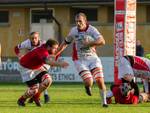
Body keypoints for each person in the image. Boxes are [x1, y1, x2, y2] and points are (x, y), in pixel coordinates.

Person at [56, 13, 108, 107]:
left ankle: (104, 102)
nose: (78, 23)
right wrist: (55, 54)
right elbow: (65, 43)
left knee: (100, 80)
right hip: (79, 60)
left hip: (93, 58)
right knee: (89, 81)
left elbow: (102, 41)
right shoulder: (73, 31)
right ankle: (87, 86)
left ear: (85, 21)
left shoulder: (91, 29)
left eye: (80, 21)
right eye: (76, 21)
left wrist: (89, 43)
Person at [16, 39, 69, 107]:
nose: (56, 50)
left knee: (48, 80)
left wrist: (66, 43)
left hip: (36, 67)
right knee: (34, 90)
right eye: (55, 48)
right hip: (26, 68)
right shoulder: (42, 51)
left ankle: (36, 97)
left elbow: (56, 52)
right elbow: (48, 61)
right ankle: (21, 99)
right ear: (49, 47)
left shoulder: (47, 48)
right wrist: (60, 64)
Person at [14, 32, 50, 103]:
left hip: (42, 62)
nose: (33, 40)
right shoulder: (26, 43)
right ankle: (33, 96)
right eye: (32, 38)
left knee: (45, 79)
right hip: (31, 64)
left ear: (38, 38)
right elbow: (16, 48)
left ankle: (45, 95)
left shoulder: (44, 43)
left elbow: (50, 52)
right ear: (29, 39)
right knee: (35, 85)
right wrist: (19, 56)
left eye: (35, 38)